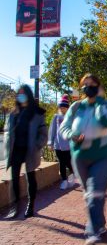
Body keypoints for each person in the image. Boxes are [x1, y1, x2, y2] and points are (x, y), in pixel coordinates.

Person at [60, 73, 107, 245]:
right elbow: (64, 127)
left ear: (99, 87)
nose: (88, 87)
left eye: (92, 84)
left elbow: (106, 123)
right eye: (85, 84)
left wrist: (99, 101)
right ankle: (99, 223)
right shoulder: (76, 107)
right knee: (90, 195)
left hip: (103, 155)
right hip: (80, 157)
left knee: (95, 193)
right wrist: (72, 135)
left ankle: (92, 231)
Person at [3, 85, 47, 219]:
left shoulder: (37, 113)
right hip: (15, 150)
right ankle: (14, 206)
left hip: (29, 150)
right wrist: (7, 143)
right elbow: (7, 131)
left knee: (30, 178)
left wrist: (37, 145)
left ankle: (30, 206)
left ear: (28, 95)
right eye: (19, 94)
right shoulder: (13, 114)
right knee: (14, 179)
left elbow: (43, 134)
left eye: (23, 94)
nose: (20, 96)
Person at [48, 94, 76, 190]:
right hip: (58, 145)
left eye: (64, 107)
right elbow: (52, 130)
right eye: (61, 107)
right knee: (61, 163)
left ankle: (72, 173)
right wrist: (50, 143)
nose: (63, 109)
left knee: (68, 162)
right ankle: (64, 181)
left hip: (68, 145)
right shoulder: (56, 117)